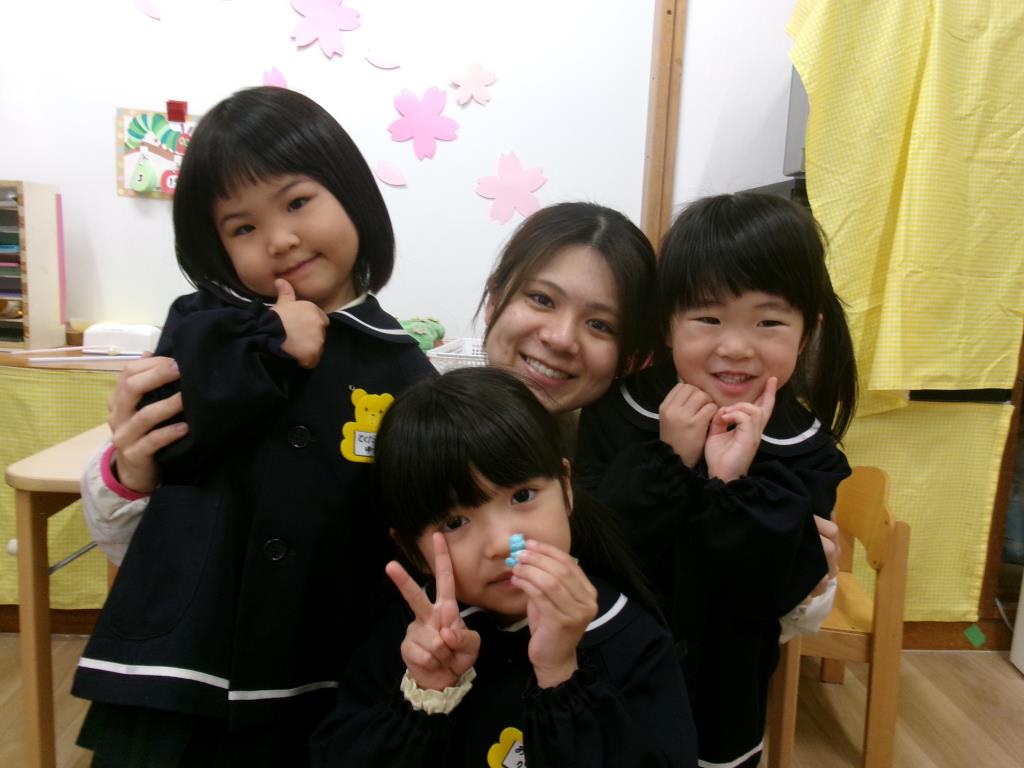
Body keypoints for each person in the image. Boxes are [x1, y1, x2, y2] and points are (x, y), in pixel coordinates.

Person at [72, 86, 436, 766]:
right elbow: (173, 449)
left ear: (351, 194)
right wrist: (271, 341)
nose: (280, 240)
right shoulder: (204, 330)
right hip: (180, 672)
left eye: (297, 202)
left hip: (324, 671)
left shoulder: (404, 368)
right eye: (242, 228)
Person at [82, 200, 662, 563]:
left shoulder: (638, 470)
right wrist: (134, 472)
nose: (560, 337)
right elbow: (160, 546)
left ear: (631, 354)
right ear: (495, 299)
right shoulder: (403, 402)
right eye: (541, 299)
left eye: (600, 324)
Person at [574, 192, 859, 768]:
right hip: (609, 674)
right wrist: (669, 460)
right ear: (667, 323)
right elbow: (596, 544)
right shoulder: (619, 412)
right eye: (708, 318)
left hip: (724, 698)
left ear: (807, 332)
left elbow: (773, 592)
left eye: (769, 321)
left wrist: (729, 484)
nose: (735, 347)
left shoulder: (807, 449)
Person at [309, 367, 697, 767]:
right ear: (412, 550)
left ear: (566, 488)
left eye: (523, 495)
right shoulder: (409, 641)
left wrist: (561, 674)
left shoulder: (629, 638)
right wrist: (424, 695)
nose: (500, 543)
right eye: (454, 522)